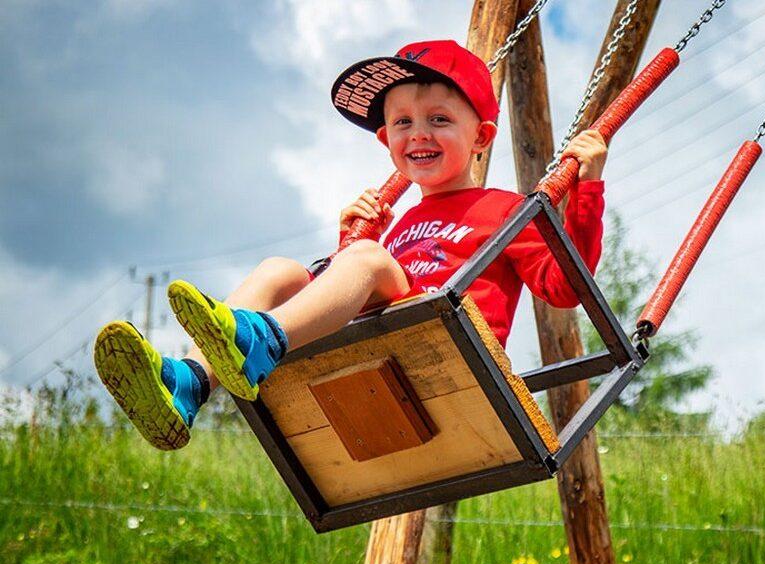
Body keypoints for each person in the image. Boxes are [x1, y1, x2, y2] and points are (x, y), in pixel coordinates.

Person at [94, 40, 608, 451]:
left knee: (366, 262)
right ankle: (190, 383)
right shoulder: (399, 224)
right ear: (385, 140)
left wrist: (586, 190)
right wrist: (351, 240)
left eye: (439, 119)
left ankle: (259, 341)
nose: (418, 133)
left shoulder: (505, 209)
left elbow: (565, 287)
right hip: (378, 344)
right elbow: (348, 296)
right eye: (403, 121)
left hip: (448, 348)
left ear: (482, 137)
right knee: (280, 270)